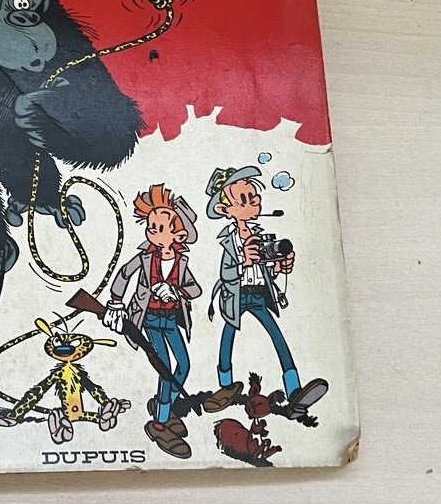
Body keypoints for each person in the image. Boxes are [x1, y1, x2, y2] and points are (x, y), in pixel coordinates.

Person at [205, 165, 328, 424]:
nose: (254, 202)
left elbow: (266, 270)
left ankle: (294, 390)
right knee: (227, 337)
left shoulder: (260, 236)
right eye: (244, 200)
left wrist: (279, 267)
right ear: (225, 210)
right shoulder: (229, 241)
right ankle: (225, 385)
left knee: (277, 338)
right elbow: (226, 274)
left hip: (259, 295)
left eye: (254, 196)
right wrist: (244, 261)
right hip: (236, 296)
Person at [105, 184, 209, 459]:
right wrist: (115, 302)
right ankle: (160, 423)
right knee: (165, 368)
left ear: (179, 234)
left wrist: (176, 291)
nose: (153, 232)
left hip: (171, 320)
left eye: (160, 228)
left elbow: (196, 289)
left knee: (183, 366)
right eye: (151, 227)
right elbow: (123, 275)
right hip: (149, 319)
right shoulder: (144, 258)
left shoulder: (181, 262)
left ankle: (164, 406)